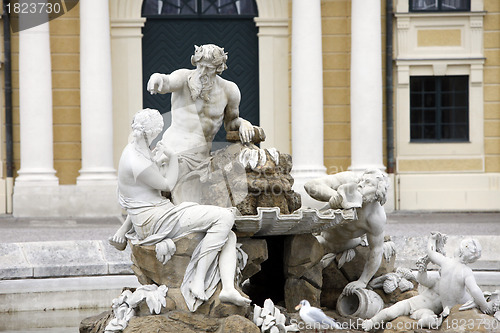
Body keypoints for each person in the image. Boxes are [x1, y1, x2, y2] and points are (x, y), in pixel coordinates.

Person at [109, 108, 251, 312]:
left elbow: (139, 198)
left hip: (159, 213)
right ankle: (198, 280)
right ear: (150, 132)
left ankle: (228, 288)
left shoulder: (135, 150)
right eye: (156, 133)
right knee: (225, 216)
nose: (156, 137)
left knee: (227, 235)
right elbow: (167, 185)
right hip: (156, 221)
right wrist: (172, 158)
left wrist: (159, 161)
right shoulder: (137, 161)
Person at [146, 44, 261, 204]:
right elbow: (167, 82)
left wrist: (243, 123)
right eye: (200, 66)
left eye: (209, 68)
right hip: (174, 148)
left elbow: (231, 122)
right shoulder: (184, 78)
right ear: (195, 62)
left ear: (219, 68)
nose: (203, 73)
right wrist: (157, 77)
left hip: (201, 155)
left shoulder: (229, 90)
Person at [304, 169, 390, 295]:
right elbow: (310, 186)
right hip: (315, 228)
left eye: (368, 183)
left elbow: (376, 250)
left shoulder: (375, 217)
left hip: (332, 244)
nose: (361, 185)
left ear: (378, 193)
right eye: (362, 180)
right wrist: (335, 196)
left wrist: (362, 282)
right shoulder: (349, 180)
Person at [362, 255, 443, 331]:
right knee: (390, 313)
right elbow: (422, 280)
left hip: (425, 310)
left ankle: (423, 322)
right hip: (411, 304)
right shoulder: (436, 282)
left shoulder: (451, 293)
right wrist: (423, 269)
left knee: (427, 316)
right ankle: (372, 321)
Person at [427, 232, 492, 317]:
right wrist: (484, 305)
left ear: (460, 251)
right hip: (459, 306)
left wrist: (432, 239)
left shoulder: (445, 262)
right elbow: (475, 290)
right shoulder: (465, 271)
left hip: (446, 306)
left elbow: (431, 253)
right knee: (482, 297)